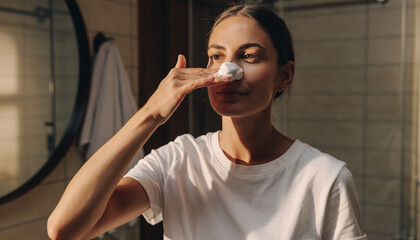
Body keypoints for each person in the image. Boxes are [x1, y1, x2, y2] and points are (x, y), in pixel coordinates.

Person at [47, 3, 366, 240]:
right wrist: (149, 115)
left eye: (249, 56)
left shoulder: (326, 178)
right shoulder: (177, 161)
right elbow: (66, 228)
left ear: (285, 75)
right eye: (216, 56)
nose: (228, 72)